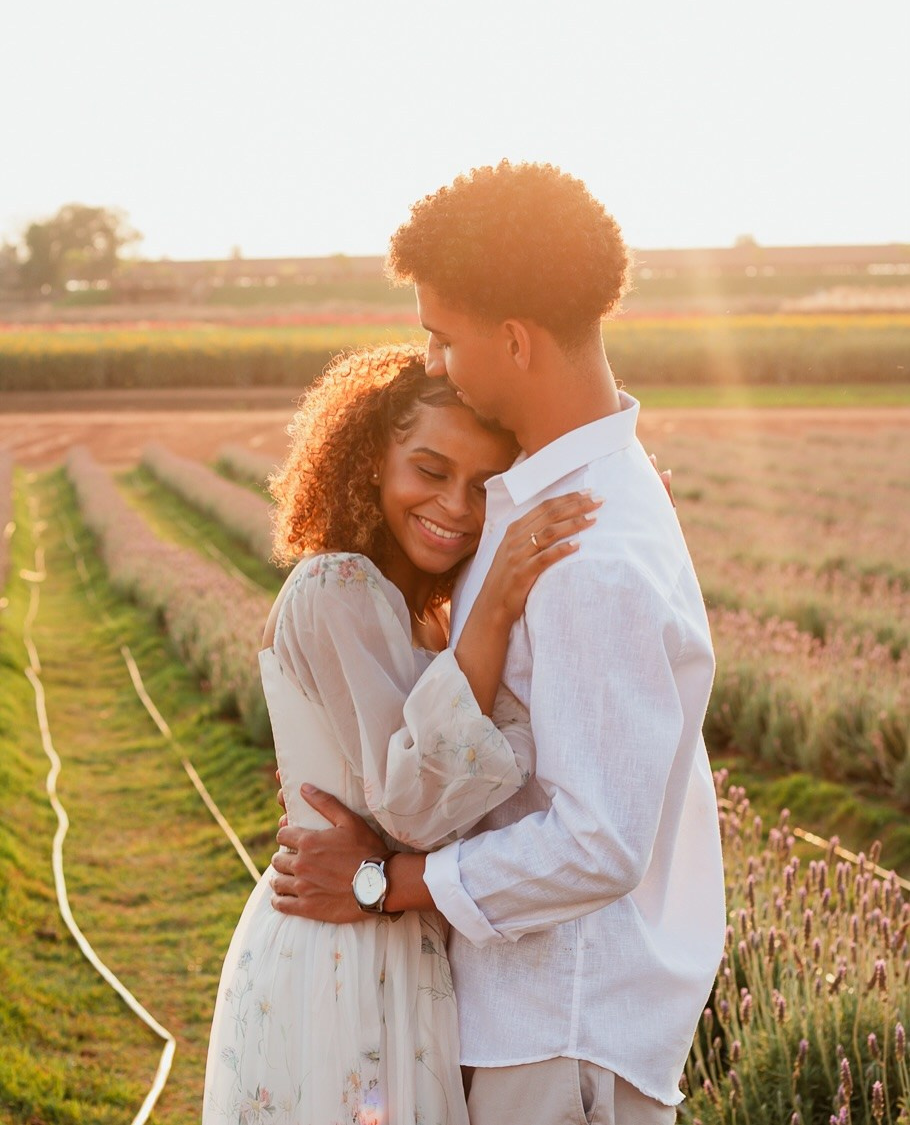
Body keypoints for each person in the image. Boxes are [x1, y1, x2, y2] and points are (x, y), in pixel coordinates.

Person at [270, 161, 727, 1124]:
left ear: (514, 339)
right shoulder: (553, 503)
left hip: (560, 1032)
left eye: (443, 335)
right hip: (529, 1022)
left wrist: (390, 881)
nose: (431, 360)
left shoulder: (587, 553)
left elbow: (597, 839)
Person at [202, 343, 597, 1124]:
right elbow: (413, 809)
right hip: (342, 949)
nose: (456, 504)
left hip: (397, 935)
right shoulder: (334, 586)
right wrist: (493, 618)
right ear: (369, 464)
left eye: (485, 485)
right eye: (429, 468)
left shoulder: (427, 617)